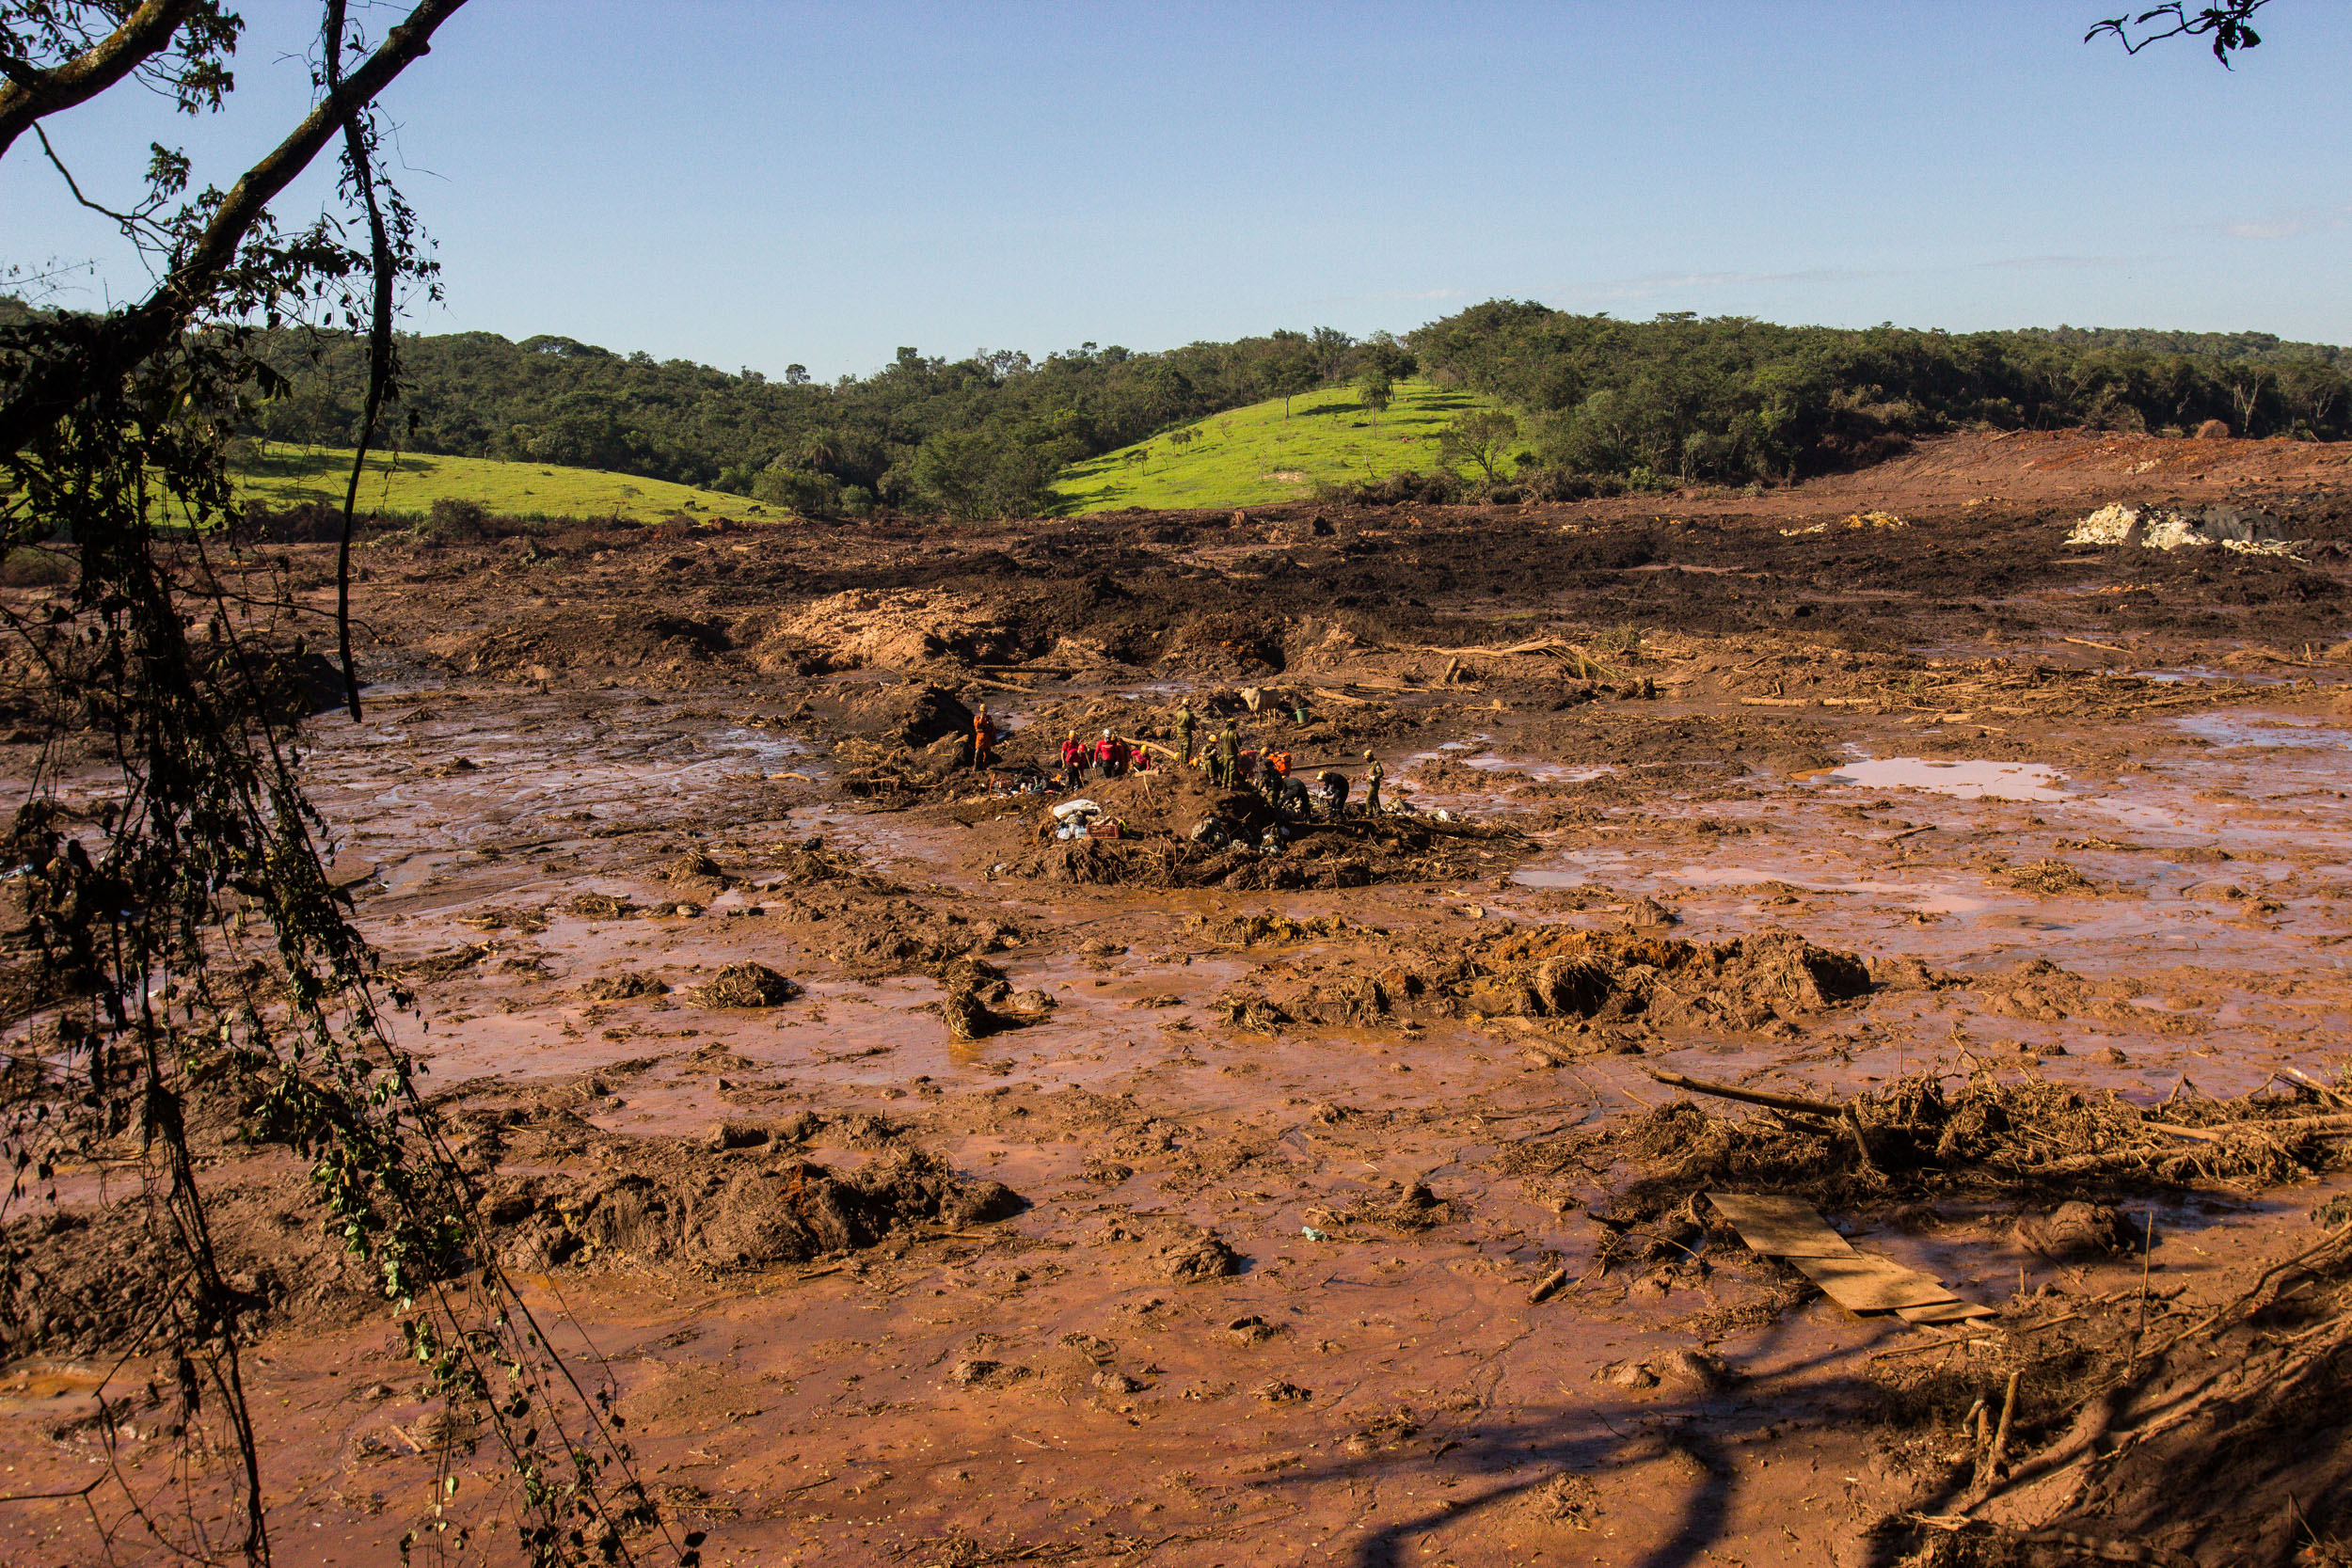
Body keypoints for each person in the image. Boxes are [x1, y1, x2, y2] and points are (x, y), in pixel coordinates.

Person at [1216, 721, 1240, 788]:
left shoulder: (1222, 734)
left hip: (1225, 755)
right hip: (1232, 755)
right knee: (1231, 770)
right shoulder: (1234, 733)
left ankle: (1223, 783)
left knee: (1225, 769)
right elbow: (1239, 744)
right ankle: (1230, 785)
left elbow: (1221, 745)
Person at [972, 705, 997, 772]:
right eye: (983, 711)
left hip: (987, 738)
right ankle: (976, 766)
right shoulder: (977, 718)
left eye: (985, 711)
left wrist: (993, 736)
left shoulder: (989, 718)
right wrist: (981, 719)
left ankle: (985, 766)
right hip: (980, 738)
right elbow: (977, 725)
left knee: (987, 753)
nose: (984, 713)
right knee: (978, 752)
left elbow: (992, 727)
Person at [1363, 751, 1385, 816]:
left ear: (1370, 757)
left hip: (1374, 785)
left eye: (1366, 759)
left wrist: (1374, 778)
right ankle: (1378, 811)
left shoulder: (1376, 764)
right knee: (1375, 798)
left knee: (1368, 799)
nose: (1366, 760)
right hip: (1372, 784)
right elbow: (1372, 773)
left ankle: (1369, 813)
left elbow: (1381, 773)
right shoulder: (1372, 764)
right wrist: (1367, 776)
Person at [1175, 702, 1196, 766]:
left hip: (1179, 733)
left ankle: (1181, 764)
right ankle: (1185, 764)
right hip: (1186, 733)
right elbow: (1192, 725)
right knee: (1186, 749)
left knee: (1181, 749)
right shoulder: (1189, 714)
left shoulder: (1178, 713)